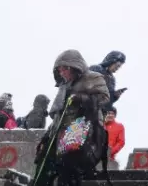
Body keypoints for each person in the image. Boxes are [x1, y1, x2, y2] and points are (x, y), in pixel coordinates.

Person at [35, 50, 111, 186]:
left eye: (64, 69)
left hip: (80, 131)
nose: (61, 73)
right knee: (43, 167)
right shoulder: (63, 86)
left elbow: (104, 98)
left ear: (74, 67)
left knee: (69, 170)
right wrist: (46, 137)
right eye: (59, 70)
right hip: (58, 134)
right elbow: (58, 115)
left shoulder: (93, 77)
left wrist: (82, 98)